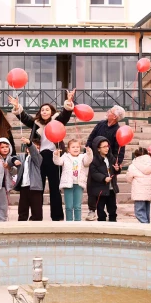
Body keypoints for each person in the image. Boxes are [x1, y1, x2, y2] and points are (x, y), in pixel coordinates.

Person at [10, 90, 76, 222]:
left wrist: (68, 102)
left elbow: (65, 115)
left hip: (54, 157)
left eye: (47, 109)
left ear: (51, 112)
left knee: (55, 188)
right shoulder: (36, 123)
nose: (44, 112)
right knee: (36, 188)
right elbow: (24, 117)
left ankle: (57, 217)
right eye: (42, 110)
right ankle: (36, 216)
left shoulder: (57, 121)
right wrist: (17, 107)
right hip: (38, 158)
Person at [85, 105, 126, 221]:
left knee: (110, 188)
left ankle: (112, 215)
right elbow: (90, 138)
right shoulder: (100, 124)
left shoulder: (118, 130)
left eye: (110, 111)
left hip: (109, 160)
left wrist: (117, 163)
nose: (107, 112)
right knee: (93, 186)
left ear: (115, 116)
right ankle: (92, 210)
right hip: (95, 158)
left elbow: (120, 149)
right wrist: (87, 152)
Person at [53, 139, 92, 221]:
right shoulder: (65, 157)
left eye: (77, 147)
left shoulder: (82, 157)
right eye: (73, 147)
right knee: (69, 206)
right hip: (68, 184)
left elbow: (88, 161)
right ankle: (69, 222)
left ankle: (78, 222)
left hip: (79, 183)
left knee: (77, 206)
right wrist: (56, 155)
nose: (75, 149)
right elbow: (58, 162)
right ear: (68, 149)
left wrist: (89, 152)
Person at [88, 136, 120, 222]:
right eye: (104, 147)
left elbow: (114, 170)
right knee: (100, 208)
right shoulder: (94, 160)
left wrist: (117, 169)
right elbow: (94, 173)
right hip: (100, 189)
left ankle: (113, 220)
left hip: (111, 188)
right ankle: (101, 222)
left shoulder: (111, 158)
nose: (107, 148)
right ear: (98, 149)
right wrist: (103, 178)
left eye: (107, 146)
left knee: (112, 207)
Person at [0, 138, 19, 222]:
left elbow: (14, 172)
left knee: (4, 206)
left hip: (5, 187)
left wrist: (9, 167)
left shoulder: (11, 159)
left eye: (6, 146)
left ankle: (2, 221)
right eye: (2, 147)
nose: (5, 149)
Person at [16, 137, 44, 221]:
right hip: (24, 187)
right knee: (22, 210)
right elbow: (12, 159)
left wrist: (30, 143)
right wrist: (13, 161)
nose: (36, 149)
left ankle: (36, 229)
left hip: (35, 187)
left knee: (37, 211)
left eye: (38, 148)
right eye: (34, 147)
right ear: (27, 149)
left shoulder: (38, 159)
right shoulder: (22, 157)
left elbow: (35, 154)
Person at [126, 148, 151, 224]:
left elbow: (129, 178)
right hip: (148, 191)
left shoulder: (133, 165)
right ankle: (147, 224)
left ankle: (145, 225)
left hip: (138, 191)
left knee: (139, 212)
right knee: (146, 211)